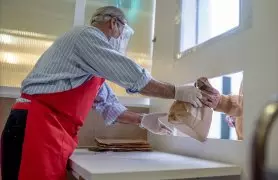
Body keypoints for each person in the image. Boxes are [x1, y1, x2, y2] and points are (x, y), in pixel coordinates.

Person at [0, 6, 203, 180]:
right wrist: (177, 91)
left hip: (49, 130)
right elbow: (132, 75)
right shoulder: (86, 36)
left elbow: (110, 107)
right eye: (123, 34)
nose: (122, 42)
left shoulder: (88, 67)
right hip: (33, 126)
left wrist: (143, 120)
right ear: (113, 24)